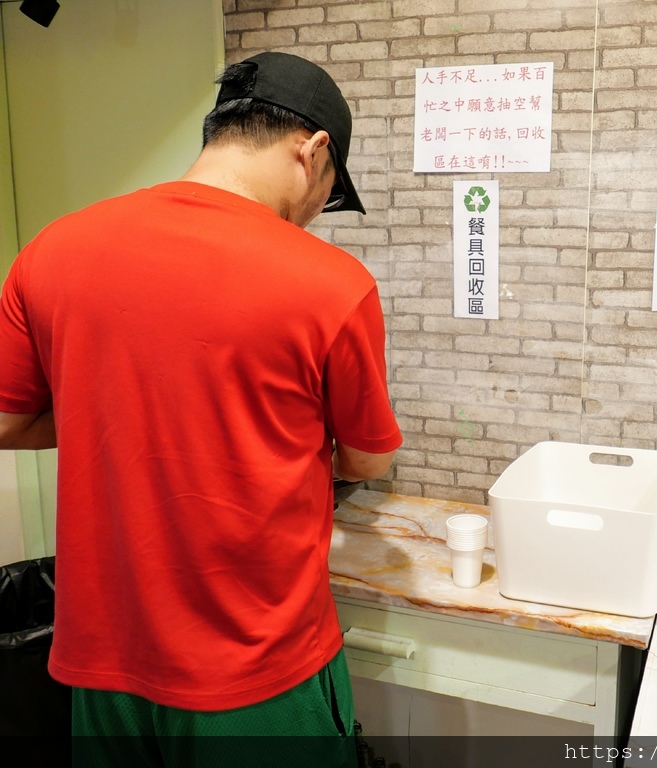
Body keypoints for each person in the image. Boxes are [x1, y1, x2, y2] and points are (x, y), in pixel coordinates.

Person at [0, 52, 402, 765]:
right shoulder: (332, 285)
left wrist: (116, 408)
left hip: (101, 668)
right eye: (329, 194)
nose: (315, 214)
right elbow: (369, 457)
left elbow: (6, 422)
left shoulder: (53, 249)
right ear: (312, 153)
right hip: (257, 673)